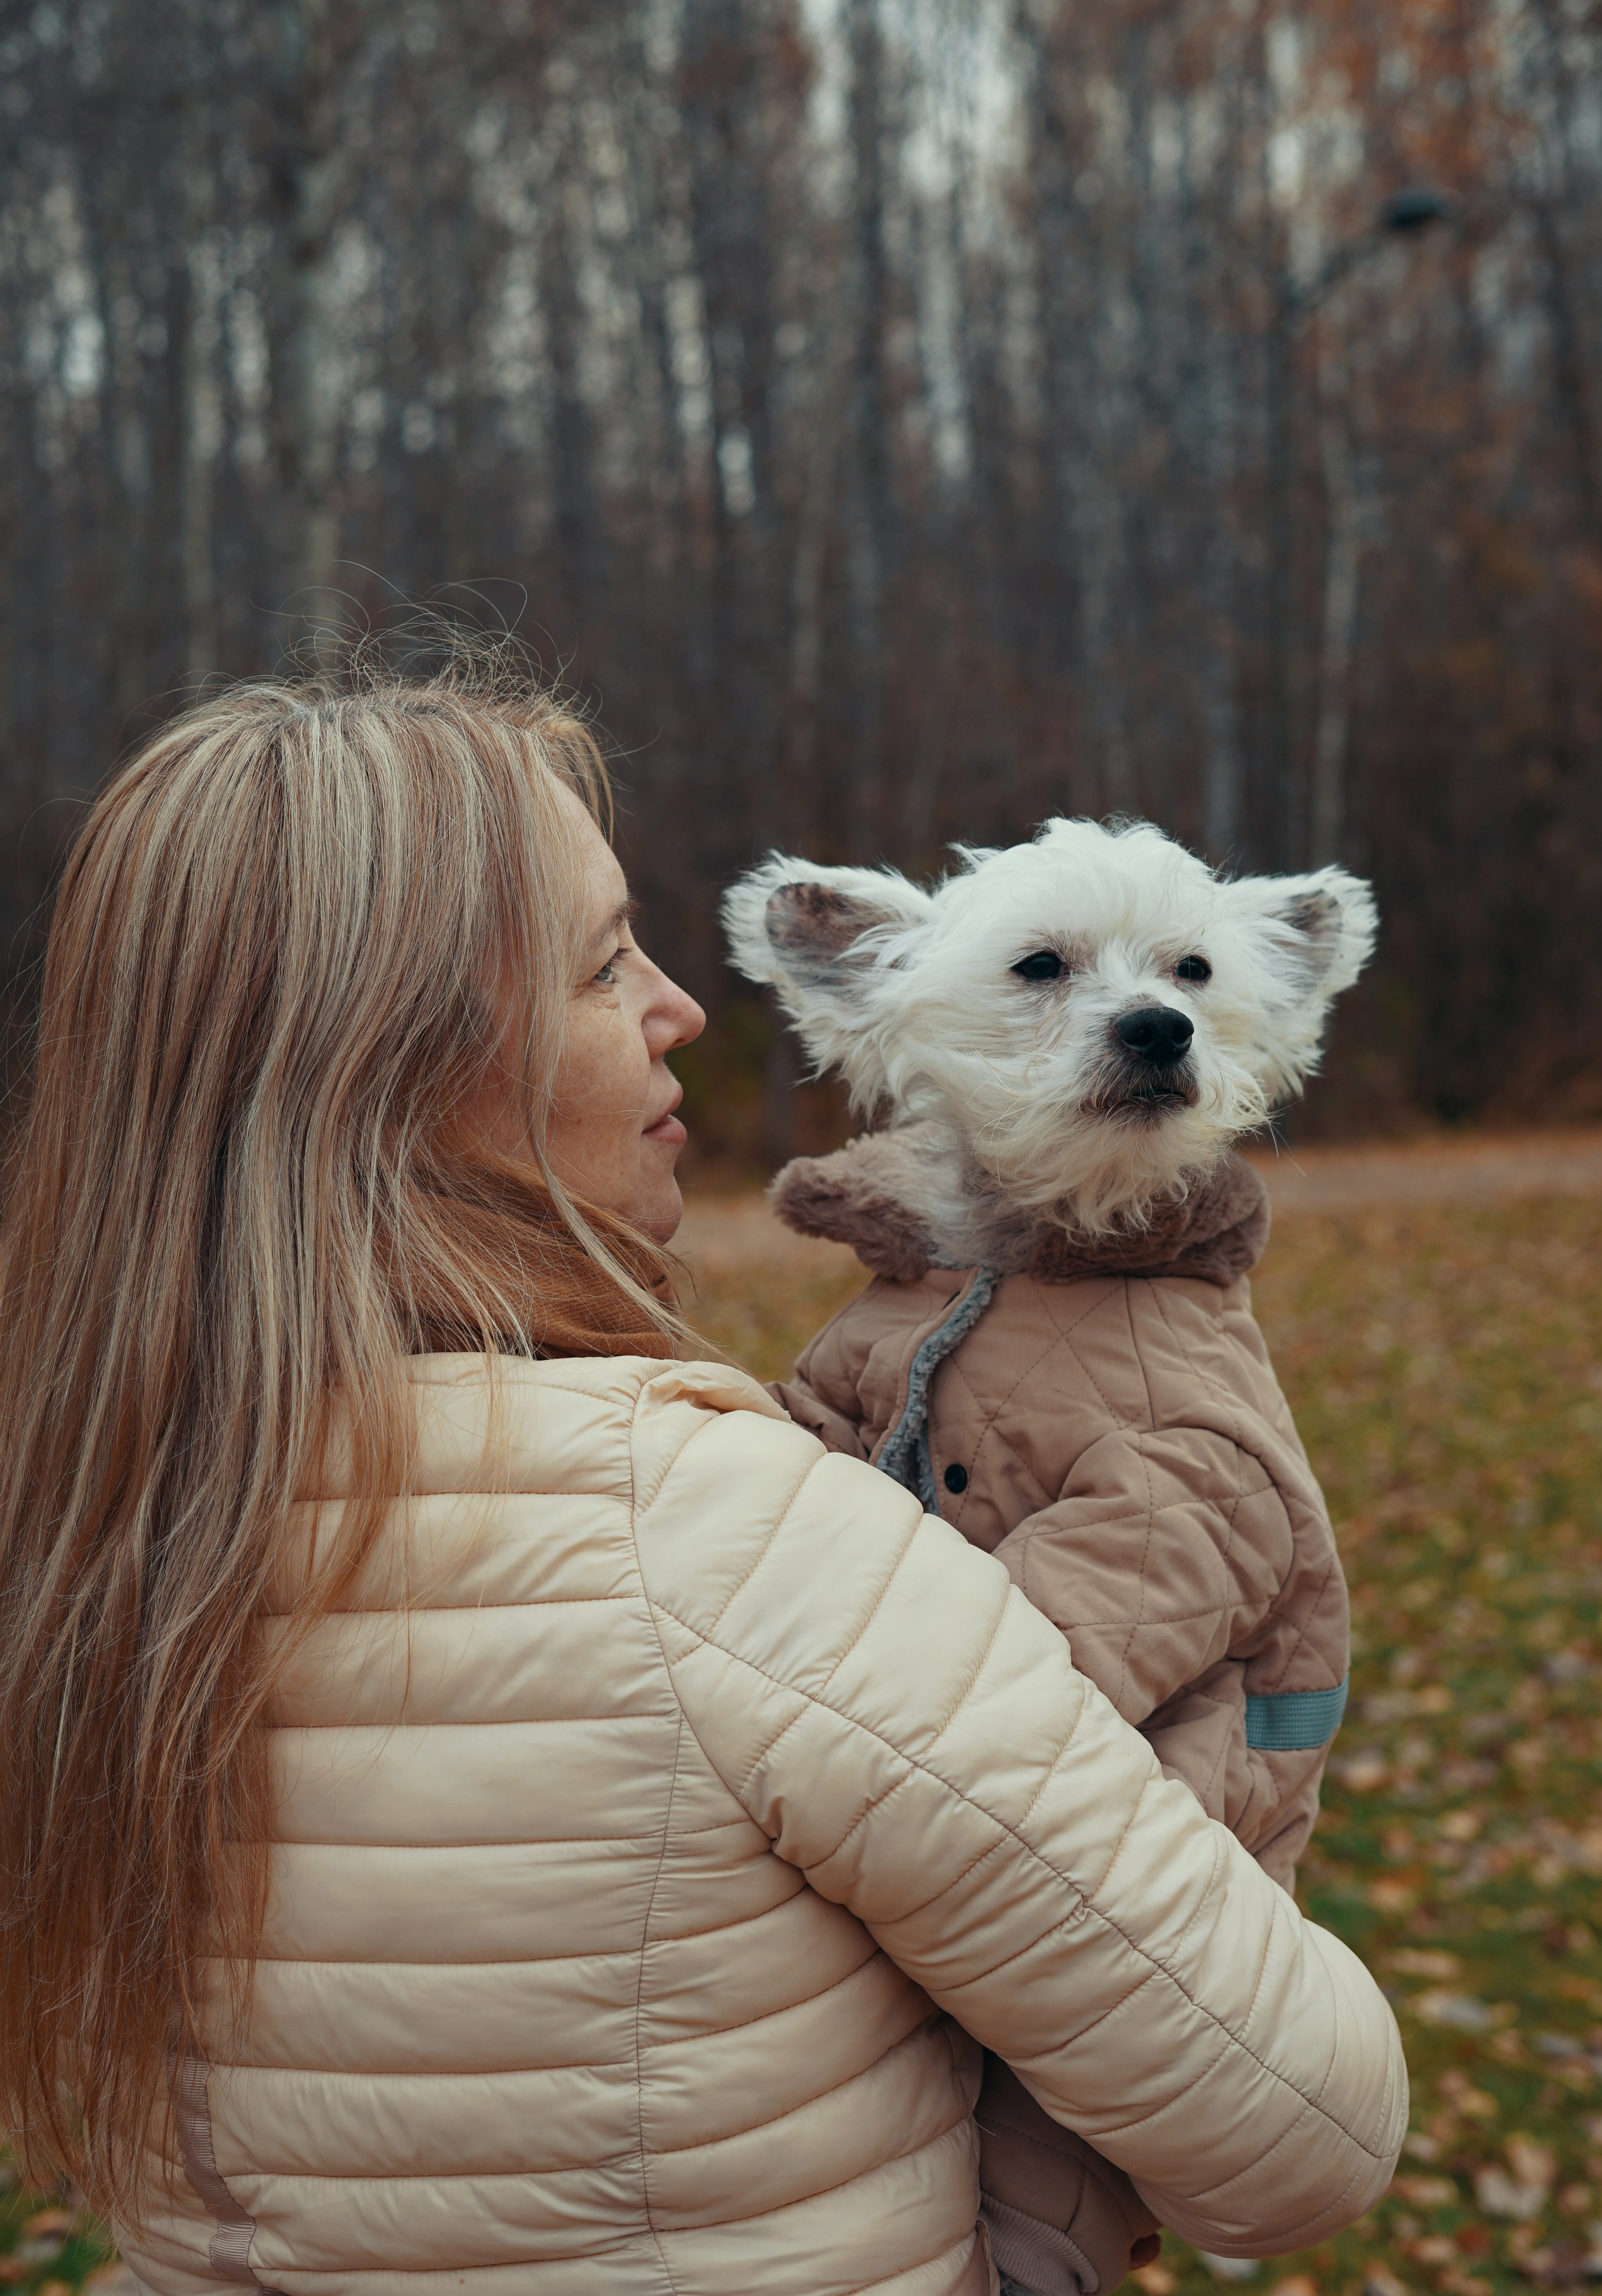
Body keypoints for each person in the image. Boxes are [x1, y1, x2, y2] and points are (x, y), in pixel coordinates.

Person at [0, 642, 1407, 2296]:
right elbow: (1311, 2130)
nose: (681, 1007)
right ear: (395, 1055)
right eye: (606, 968)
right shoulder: (738, 1556)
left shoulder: (84, 1528)